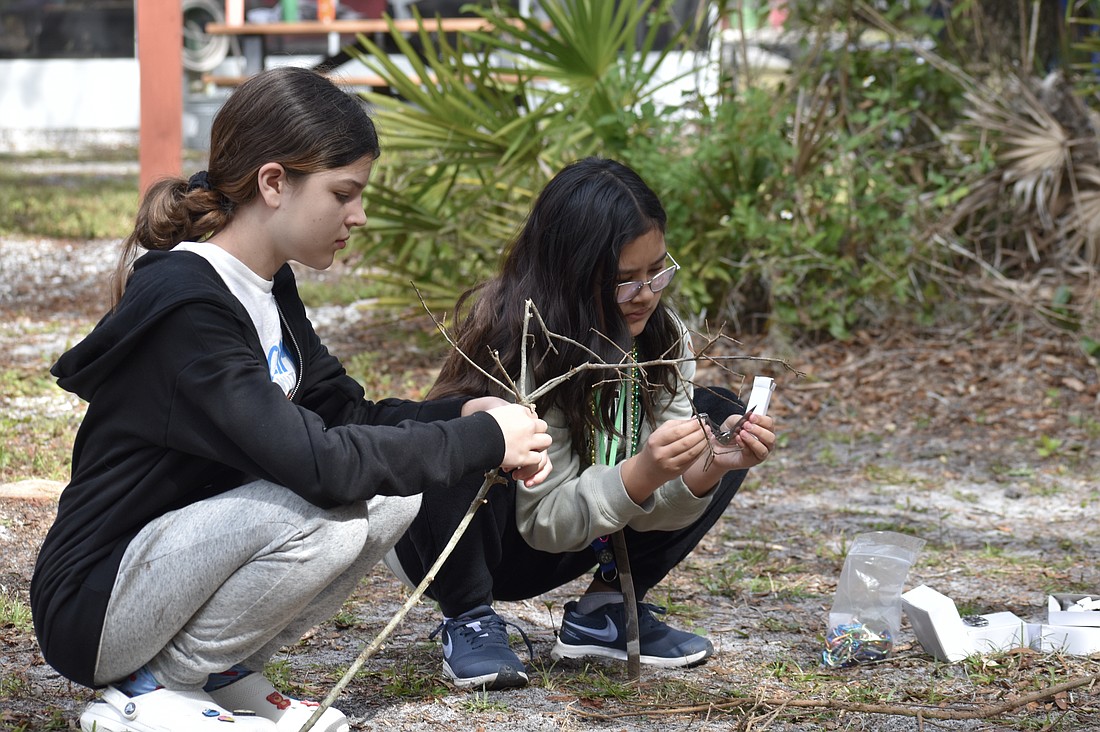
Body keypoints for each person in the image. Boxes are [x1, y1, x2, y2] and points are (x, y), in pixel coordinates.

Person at [29, 66, 551, 732]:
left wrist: (463, 416)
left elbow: (349, 417)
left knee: (394, 497)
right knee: (323, 509)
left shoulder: (266, 287)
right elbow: (318, 464)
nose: (357, 215)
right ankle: (148, 691)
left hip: (178, 569)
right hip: (97, 603)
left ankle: (216, 675)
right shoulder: (188, 309)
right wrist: (483, 443)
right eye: (344, 193)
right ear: (274, 183)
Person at [389, 157, 777, 690]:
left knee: (717, 420)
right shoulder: (519, 342)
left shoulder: (663, 340)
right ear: (571, 271)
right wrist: (642, 471)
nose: (645, 294)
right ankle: (470, 617)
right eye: (622, 280)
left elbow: (651, 504)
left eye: (657, 271)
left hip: (582, 532)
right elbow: (543, 519)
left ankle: (607, 609)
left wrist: (703, 471)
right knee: (472, 427)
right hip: (467, 541)